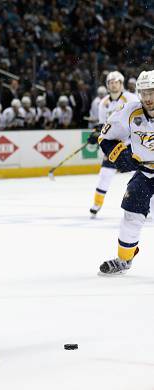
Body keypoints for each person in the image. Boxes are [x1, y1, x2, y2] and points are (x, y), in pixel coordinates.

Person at [97, 70, 154, 274]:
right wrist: (117, 154)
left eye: (152, 92)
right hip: (144, 173)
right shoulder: (130, 111)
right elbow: (106, 137)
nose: (148, 98)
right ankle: (124, 260)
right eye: (144, 92)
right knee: (131, 216)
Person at [88, 71, 140, 217]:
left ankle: (148, 204)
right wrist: (96, 133)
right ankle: (97, 204)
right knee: (105, 174)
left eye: (115, 82)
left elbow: (139, 119)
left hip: (131, 143)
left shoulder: (131, 98)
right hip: (113, 145)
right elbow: (102, 126)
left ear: (121, 83)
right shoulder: (103, 103)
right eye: (110, 82)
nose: (113, 84)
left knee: (140, 175)